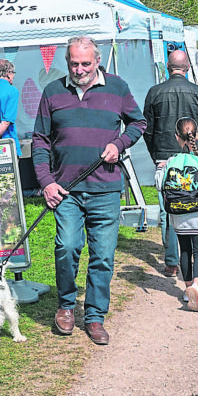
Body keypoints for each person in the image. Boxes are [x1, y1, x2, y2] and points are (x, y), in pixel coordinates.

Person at [32, 36, 146, 345]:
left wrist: (119, 143)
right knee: (67, 247)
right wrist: (46, 181)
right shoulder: (53, 91)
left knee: (103, 256)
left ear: (97, 61)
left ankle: (95, 316)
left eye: (85, 63)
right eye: (73, 63)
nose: (79, 69)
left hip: (105, 188)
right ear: (66, 62)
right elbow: (40, 140)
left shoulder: (117, 87)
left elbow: (138, 123)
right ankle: (67, 305)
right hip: (66, 189)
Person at [143, 49, 198, 277]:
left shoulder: (155, 92)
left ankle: (173, 260)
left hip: (164, 156)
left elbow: (147, 129)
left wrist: (155, 153)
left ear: (167, 66)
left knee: (169, 207)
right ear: (187, 68)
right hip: (195, 155)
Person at [158, 117, 198, 312]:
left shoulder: (171, 161)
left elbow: (160, 186)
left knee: (184, 250)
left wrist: (160, 171)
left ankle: (186, 290)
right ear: (197, 136)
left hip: (178, 216)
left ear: (177, 137)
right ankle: (196, 286)